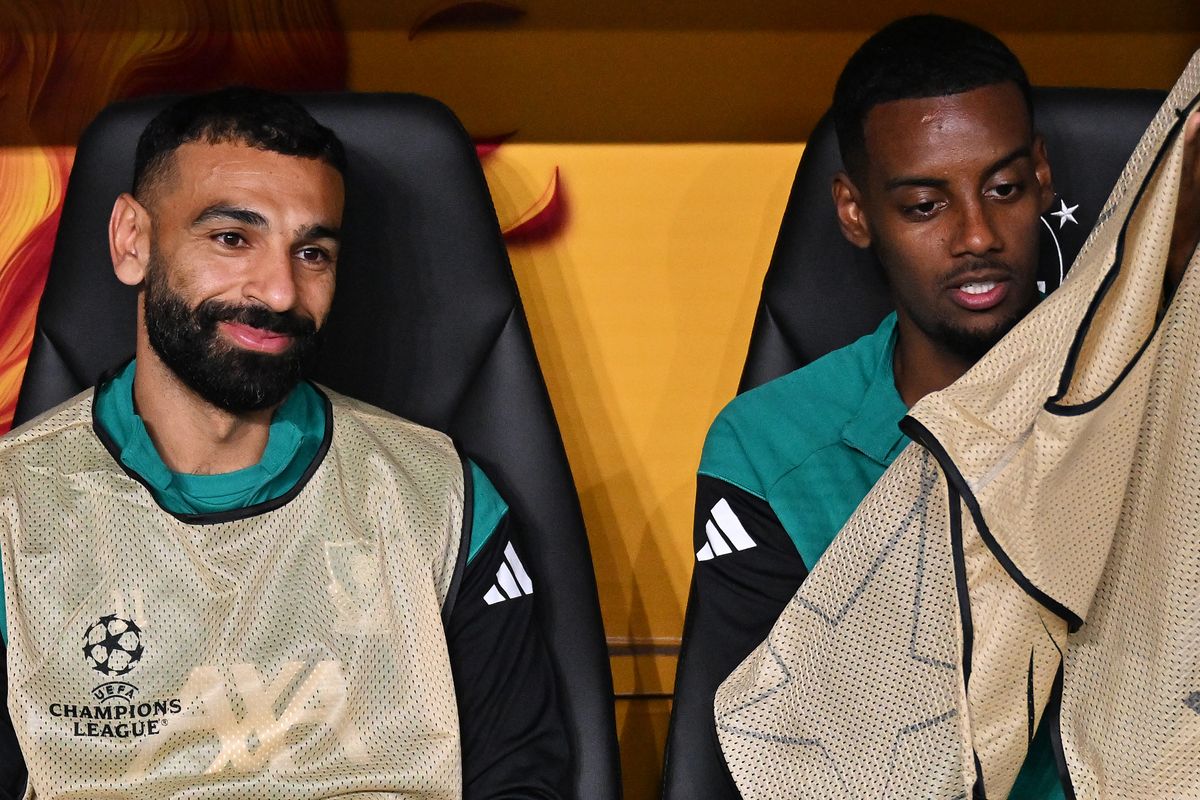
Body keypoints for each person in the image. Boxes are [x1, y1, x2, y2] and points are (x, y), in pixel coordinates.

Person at [664, 15, 1200, 800]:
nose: (977, 234)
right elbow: (784, 747)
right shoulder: (769, 449)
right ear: (855, 212)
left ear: (1043, 178)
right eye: (924, 206)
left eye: (1005, 189)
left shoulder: (1166, 408)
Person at [0, 87, 569, 798]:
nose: (278, 291)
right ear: (132, 240)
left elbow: (521, 776)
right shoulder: (14, 511)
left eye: (312, 252)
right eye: (232, 238)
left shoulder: (437, 497)